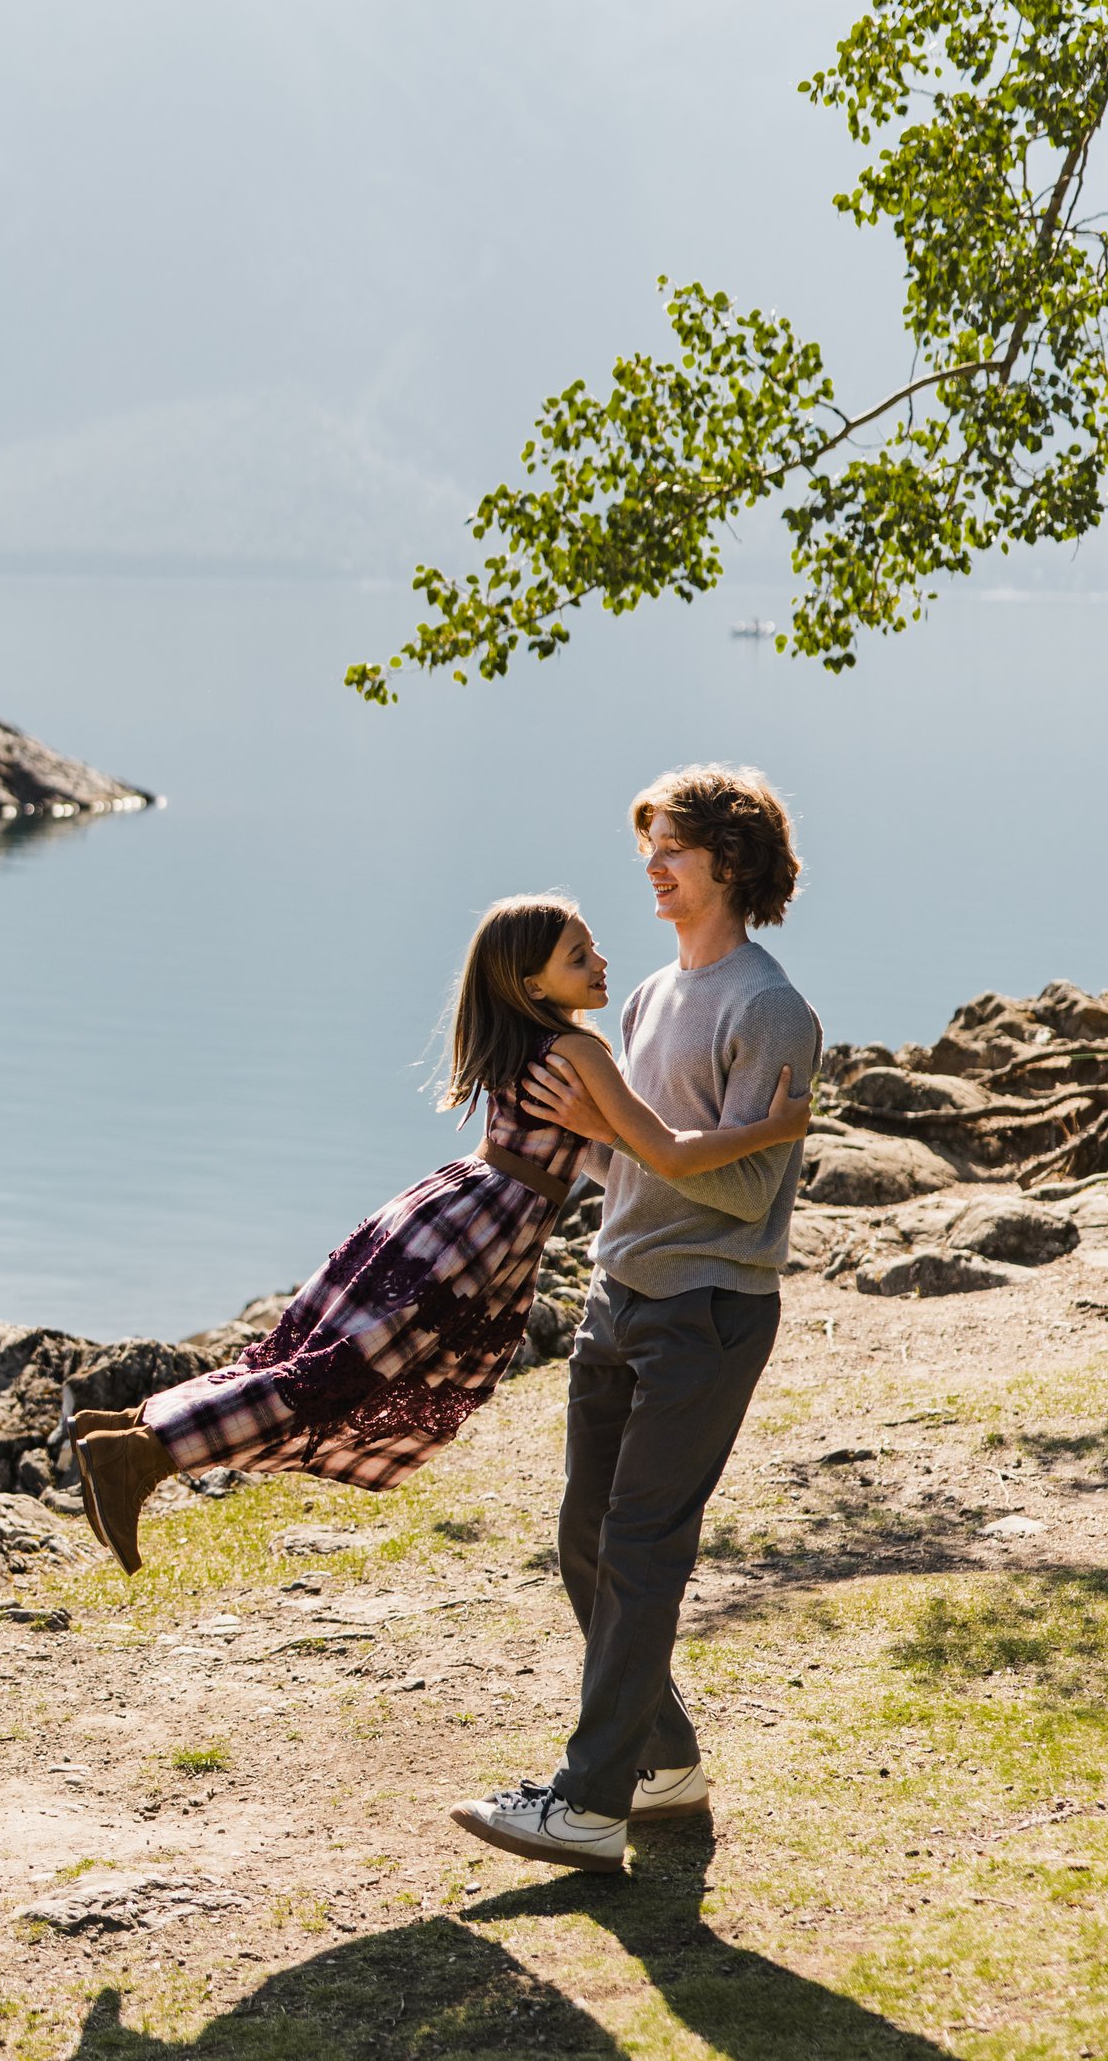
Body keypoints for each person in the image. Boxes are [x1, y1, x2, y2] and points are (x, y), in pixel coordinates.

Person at [71, 886, 809, 1578]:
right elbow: (670, 1152)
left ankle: (134, 1428)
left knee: (314, 1359)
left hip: (447, 1205)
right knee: (329, 1379)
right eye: (578, 956)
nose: (602, 962)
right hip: (479, 1234)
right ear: (532, 987)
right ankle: (144, 1453)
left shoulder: (522, 1040)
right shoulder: (581, 1049)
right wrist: (770, 1130)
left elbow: (597, 1150)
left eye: (592, 948)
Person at [453, 763, 820, 1877]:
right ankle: (661, 1765)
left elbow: (748, 1193)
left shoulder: (771, 1007)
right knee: (584, 1538)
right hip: (618, 1298)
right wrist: (590, 1131)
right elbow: (639, 1165)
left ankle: (588, 1802)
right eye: (647, 849)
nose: (652, 869)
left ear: (731, 862)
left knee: (646, 1546)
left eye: (672, 849)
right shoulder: (652, 997)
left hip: (707, 1310)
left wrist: (644, 1141)